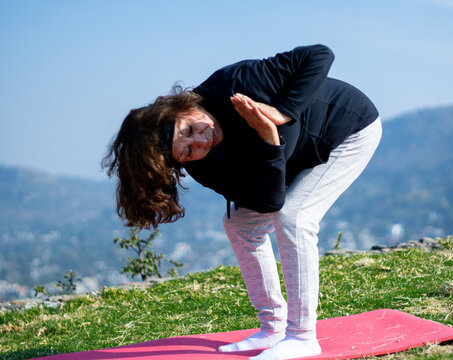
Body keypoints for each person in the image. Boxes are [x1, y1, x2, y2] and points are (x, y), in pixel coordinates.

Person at [103, 44, 382, 360]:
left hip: (348, 129)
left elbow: (319, 54)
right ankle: (273, 326)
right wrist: (268, 137)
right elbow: (268, 200)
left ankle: (303, 336)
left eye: (192, 128)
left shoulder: (234, 83)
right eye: (188, 151)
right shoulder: (202, 165)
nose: (202, 141)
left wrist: (282, 113)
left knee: (295, 217)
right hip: (295, 159)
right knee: (239, 224)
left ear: (185, 106)